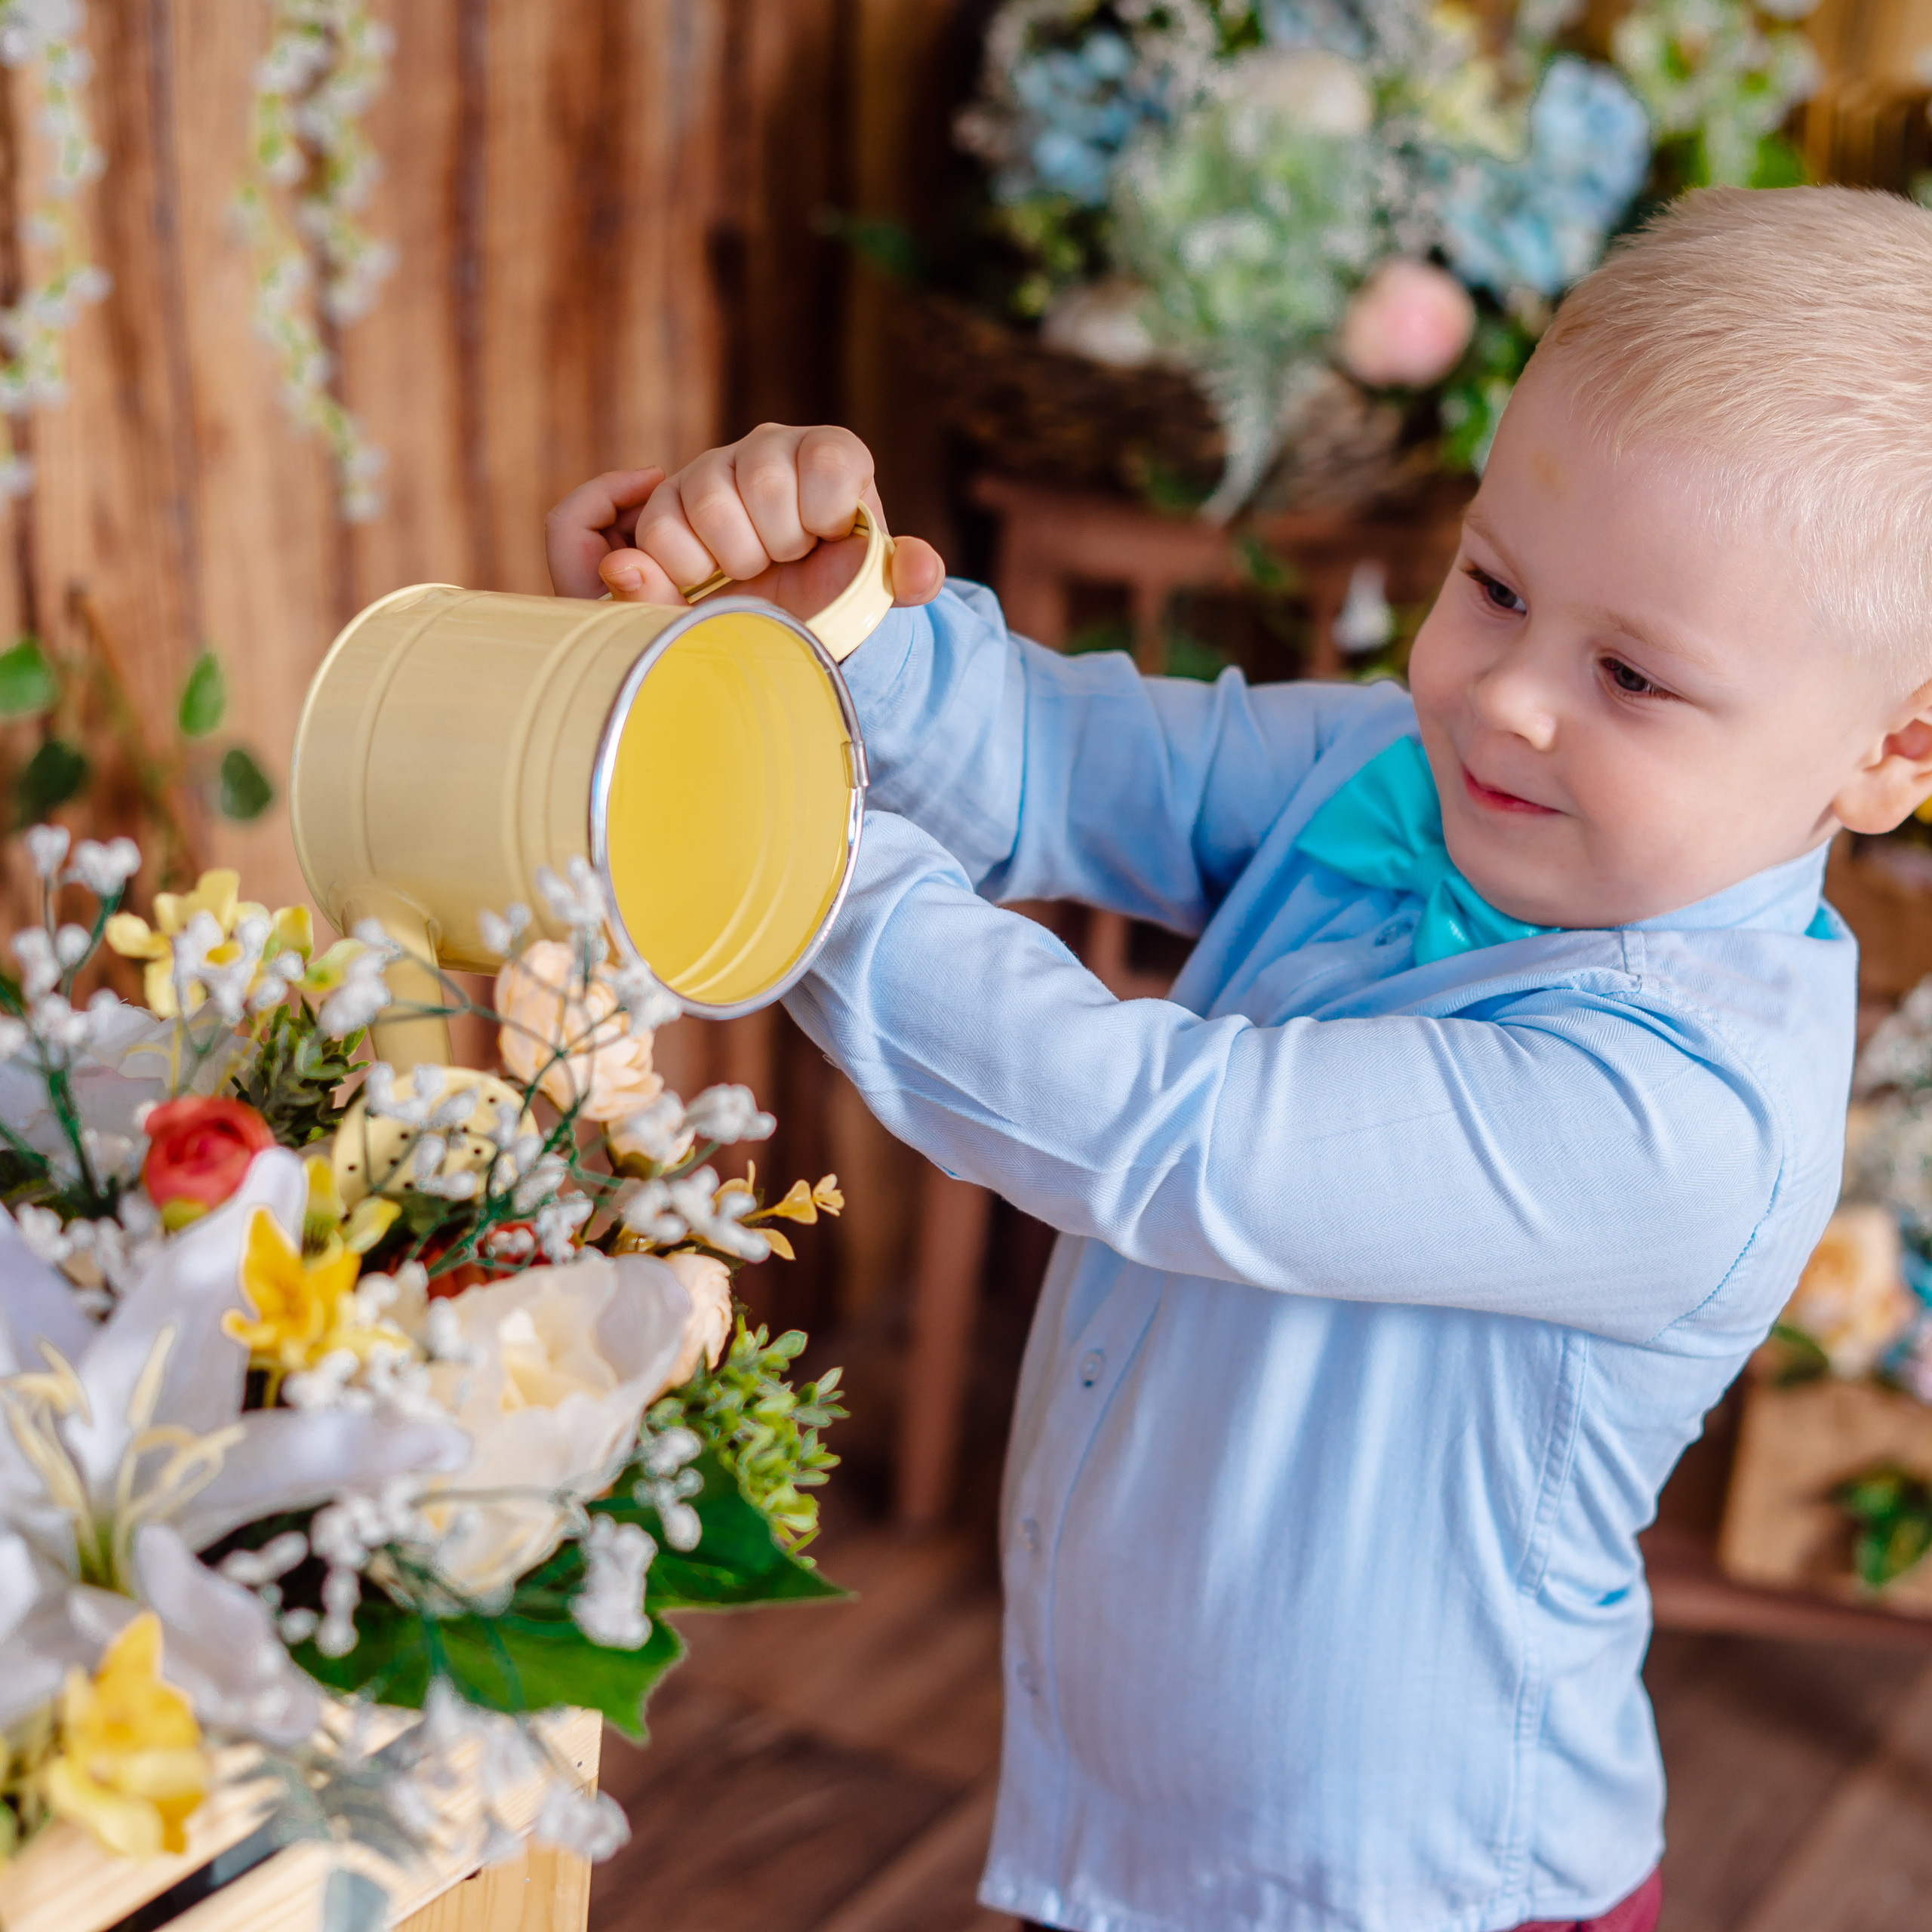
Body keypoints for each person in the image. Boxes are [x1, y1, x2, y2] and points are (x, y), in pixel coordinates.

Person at [545, 186, 1932, 1932]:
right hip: (1144, 1824)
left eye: (1634, 678)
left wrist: (766, 837)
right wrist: (833, 642)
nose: (1504, 695)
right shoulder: (1413, 773)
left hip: (1409, 1888)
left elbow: (1160, 1132)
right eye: (1492, 584)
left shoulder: (1682, 1113)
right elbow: (1063, 758)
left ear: (1890, 752)